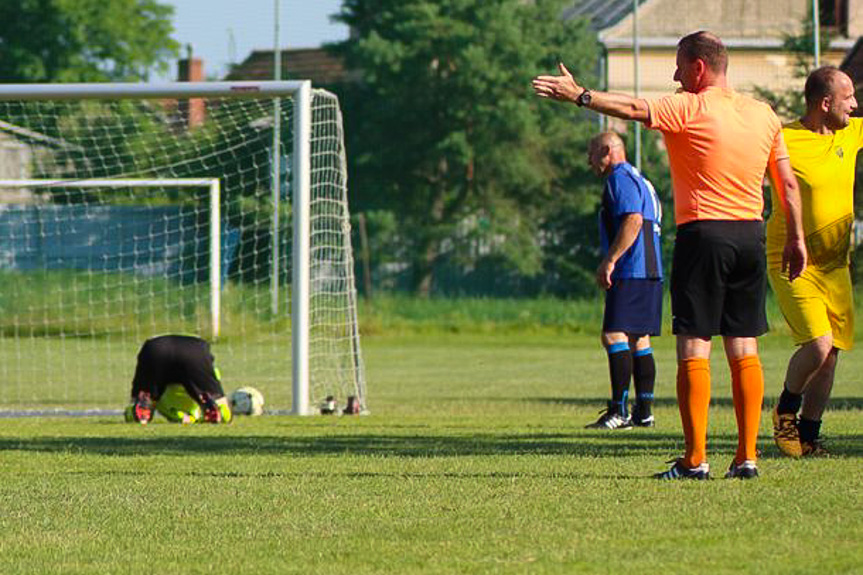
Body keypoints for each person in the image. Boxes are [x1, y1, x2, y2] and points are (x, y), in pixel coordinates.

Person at [533, 31, 807, 479]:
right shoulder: (763, 114)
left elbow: (634, 108)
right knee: (744, 346)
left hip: (704, 235)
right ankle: (747, 457)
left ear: (699, 68)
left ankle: (696, 460)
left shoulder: (690, 107)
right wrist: (796, 239)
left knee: (694, 346)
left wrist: (580, 96)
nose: (674, 75)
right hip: (750, 238)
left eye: (679, 66)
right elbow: (788, 185)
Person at [767, 67, 861, 458]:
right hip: (792, 261)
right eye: (849, 98)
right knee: (819, 345)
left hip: (836, 266)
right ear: (825, 103)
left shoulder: (850, 132)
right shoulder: (783, 138)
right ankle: (785, 410)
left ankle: (809, 435)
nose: (855, 105)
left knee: (832, 352)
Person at [584, 131, 663, 430]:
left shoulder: (619, 178)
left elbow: (633, 220)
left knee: (614, 336)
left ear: (607, 150)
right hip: (651, 269)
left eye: (591, 153)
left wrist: (611, 259)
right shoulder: (641, 179)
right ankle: (644, 411)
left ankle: (619, 411)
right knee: (638, 338)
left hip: (633, 269)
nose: (588, 160)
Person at [124, 334, 233, 424]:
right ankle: (211, 402)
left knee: (142, 399)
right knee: (224, 414)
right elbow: (216, 373)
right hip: (195, 351)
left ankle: (143, 407)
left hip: (155, 349)